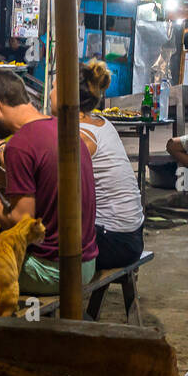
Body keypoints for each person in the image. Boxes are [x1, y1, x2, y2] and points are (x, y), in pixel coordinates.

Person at [0, 70, 99, 295]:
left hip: (53, 271)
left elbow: (19, 223)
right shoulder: (62, 128)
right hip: (86, 263)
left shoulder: (20, 144)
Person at [57, 59, 145, 269]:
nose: (50, 92)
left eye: (53, 87)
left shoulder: (79, 135)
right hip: (132, 234)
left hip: (113, 242)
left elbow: (54, 184)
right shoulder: (101, 123)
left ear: (66, 94)